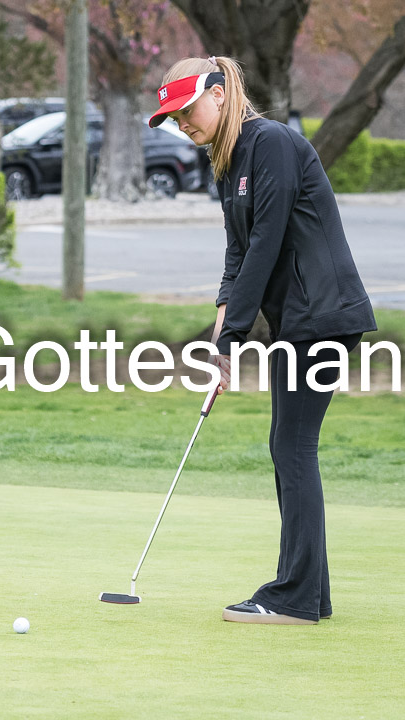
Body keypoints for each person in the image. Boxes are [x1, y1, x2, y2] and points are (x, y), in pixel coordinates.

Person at [148, 56, 377, 625]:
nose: (183, 124)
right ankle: (311, 594)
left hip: (322, 315)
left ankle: (294, 596)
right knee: (288, 445)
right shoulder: (227, 162)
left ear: (219, 94)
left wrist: (232, 339)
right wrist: (221, 335)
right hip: (299, 320)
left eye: (187, 110)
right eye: (174, 118)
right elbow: (237, 253)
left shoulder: (271, 142)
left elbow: (267, 242)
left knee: (292, 446)